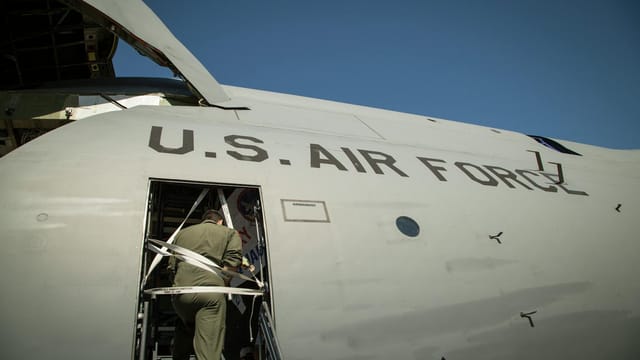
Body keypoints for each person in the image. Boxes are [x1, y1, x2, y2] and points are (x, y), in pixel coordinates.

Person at [168, 209, 243, 360]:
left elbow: (171, 267)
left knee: (185, 326)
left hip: (181, 295)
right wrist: (223, 284)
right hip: (210, 294)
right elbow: (232, 263)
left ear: (203, 220)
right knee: (208, 349)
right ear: (220, 221)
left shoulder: (182, 233)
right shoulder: (229, 233)